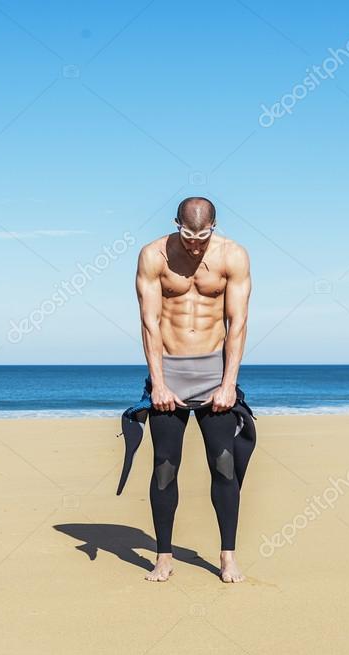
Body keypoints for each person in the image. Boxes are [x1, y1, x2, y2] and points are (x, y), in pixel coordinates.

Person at [134, 196, 252, 583]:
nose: (195, 245)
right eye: (188, 235)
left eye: (203, 237)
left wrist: (228, 384)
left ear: (214, 227)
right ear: (176, 224)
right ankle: (163, 556)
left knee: (224, 465)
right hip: (169, 372)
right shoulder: (153, 256)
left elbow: (237, 323)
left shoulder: (233, 256)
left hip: (214, 375)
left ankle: (227, 556)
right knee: (165, 468)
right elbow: (150, 322)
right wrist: (158, 383)